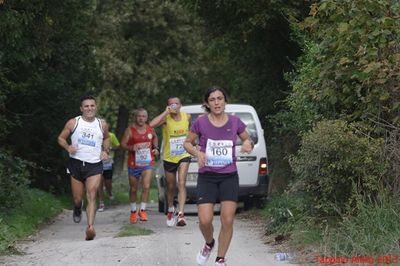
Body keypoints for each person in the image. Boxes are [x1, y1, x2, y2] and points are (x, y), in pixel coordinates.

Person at [183, 86, 254, 266]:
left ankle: (220, 259)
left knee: (227, 219)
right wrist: (197, 154)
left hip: (229, 176)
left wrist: (247, 144)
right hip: (207, 176)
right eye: (213, 99)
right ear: (207, 103)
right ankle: (209, 243)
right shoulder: (200, 123)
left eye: (220, 98)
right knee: (205, 220)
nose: (216, 102)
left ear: (225, 101)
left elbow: (248, 139)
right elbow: (187, 143)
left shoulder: (235, 121)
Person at [57, 95, 110, 241]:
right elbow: (61, 138)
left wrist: (106, 151)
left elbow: (106, 138)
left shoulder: (102, 124)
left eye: (92, 105)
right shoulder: (74, 122)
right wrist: (68, 147)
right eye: (86, 106)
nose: (89, 108)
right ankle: (77, 207)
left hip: (94, 165)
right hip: (76, 164)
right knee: (78, 198)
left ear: (96, 107)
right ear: (81, 108)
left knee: (92, 194)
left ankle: (90, 227)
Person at [149, 96, 191, 227]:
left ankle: (181, 214)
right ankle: (171, 208)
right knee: (171, 186)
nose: (174, 106)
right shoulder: (165, 119)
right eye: (171, 104)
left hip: (184, 154)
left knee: (182, 183)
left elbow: (192, 132)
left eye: (176, 103)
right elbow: (151, 125)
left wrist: (195, 144)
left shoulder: (187, 117)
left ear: (180, 105)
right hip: (169, 156)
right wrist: (166, 112)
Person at [120, 108, 159, 224]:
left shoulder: (150, 129)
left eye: (144, 116)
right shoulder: (130, 130)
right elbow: (122, 144)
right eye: (139, 116)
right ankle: (133, 211)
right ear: (136, 117)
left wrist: (155, 148)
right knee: (133, 189)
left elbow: (155, 138)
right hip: (134, 163)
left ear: (147, 118)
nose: (141, 118)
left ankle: (142, 210)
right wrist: (131, 148)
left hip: (147, 162)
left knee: (146, 186)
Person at [98, 131, 120, 212]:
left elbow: (118, 145)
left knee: (108, 183)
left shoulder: (111, 135)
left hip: (108, 163)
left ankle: (109, 191)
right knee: (99, 182)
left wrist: (111, 148)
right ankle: (101, 202)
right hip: (97, 163)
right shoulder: (95, 134)